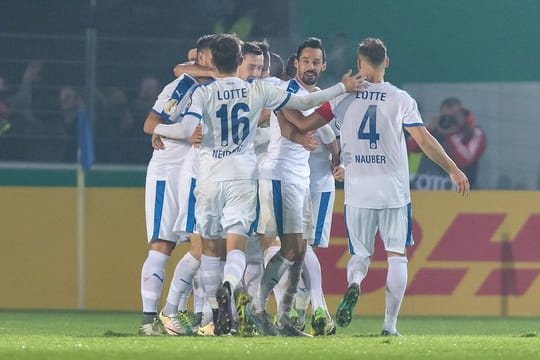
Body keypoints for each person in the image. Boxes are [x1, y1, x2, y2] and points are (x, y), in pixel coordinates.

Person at [153, 33, 364, 336]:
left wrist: (158, 128)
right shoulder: (261, 91)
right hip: (244, 175)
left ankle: (213, 317)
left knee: (211, 249)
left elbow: (186, 128)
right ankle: (232, 289)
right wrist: (342, 87)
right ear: (239, 61)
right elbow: (306, 101)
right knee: (237, 248)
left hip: (210, 175)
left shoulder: (205, 93)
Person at [281, 37, 469, 336]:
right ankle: (389, 326)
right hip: (393, 190)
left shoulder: (344, 97)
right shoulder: (400, 98)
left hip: (358, 190)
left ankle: (355, 284)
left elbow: (304, 124)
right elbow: (423, 140)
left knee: (360, 256)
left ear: (359, 63)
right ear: (387, 62)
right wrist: (453, 169)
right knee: (396, 255)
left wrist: (278, 105)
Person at [253, 37, 339, 336]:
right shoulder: (286, 89)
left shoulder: (316, 96)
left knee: (300, 252)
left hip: (300, 179)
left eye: (316, 62)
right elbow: (296, 123)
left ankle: (286, 318)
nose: (311, 67)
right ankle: (258, 307)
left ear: (323, 65)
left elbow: (319, 127)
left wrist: (336, 155)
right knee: (287, 248)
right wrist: (302, 137)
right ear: (296, 63)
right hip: (279, 175)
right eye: (306, 61)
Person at [138, 34, 216, 336]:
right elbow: (149, 123)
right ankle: (149, 321)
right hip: (167, 171)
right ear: (203, 58)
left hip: (197, 170)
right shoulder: (183, 85)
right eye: (211, 56)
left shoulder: (215, 86)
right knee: (162, 246)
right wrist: (179, 134)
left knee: (199, 244)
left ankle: (192, 316)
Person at [408, 97, 486, 189]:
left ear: (462, 115)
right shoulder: (433, 130)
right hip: (425, 188)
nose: (449, 121)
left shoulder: (473, 133)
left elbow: (464, 160)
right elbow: (409, 148)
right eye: (446, 117)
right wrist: (427, 130)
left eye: (453, 117)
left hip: (461, 191)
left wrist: (451, 134)